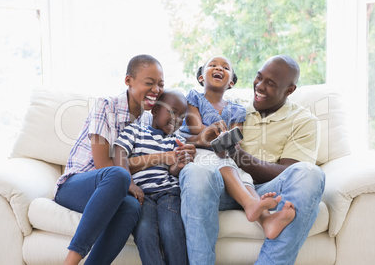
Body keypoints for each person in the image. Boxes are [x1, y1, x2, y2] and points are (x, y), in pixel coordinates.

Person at [179, 55, 326, 265]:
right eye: (259, 78)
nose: (260, 86)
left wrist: (235, 154)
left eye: (270, 83)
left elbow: (288, 172)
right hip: (221, 188)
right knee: (196, 171)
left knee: (311, 174)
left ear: (290, 90)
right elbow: (196, 135)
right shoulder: (238, 109)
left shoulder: (304, 121)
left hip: (267, 191)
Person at [53, 54, 194, 265]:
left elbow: (175, 140)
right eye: (149, 83)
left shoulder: (149, 120)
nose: (156, 89)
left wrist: (191, 148)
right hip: (78, 186)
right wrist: (160, 158)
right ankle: (70, 261)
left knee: (131, 206)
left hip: (117, 191)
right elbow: (106, 167)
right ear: (128, 81)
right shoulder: (105, 107)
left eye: (160, 84)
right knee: (118, 175)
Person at [178, 55, 293, 238]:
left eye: (226, 67)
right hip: (197, 149)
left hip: (223, 156)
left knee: (244, 176)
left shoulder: (237, 110)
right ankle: (252, 206)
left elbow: (235, 139)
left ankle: (266, 220)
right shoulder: (194, 98)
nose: (219, 68)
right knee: (224, 165)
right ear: (201, 77)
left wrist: (227, 143)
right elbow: (194, 127)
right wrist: (212, 133)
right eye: (213, 65)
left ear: (231, 82)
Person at [112, 90, 192, 265]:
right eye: (172, 112)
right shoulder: (135, 130)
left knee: (171, 230)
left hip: (168, 193)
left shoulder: (176, 140)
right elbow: (119, 153)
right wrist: (130, 184)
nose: (176, 119)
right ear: (154, 110)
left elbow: (173, 171)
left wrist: (178, 166)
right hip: (141, 195)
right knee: (145, 233)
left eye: (182, 116)